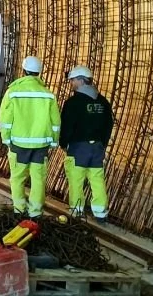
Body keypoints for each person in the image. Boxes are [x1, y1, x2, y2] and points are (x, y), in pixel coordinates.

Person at [0, 56, 61, 217]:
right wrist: (53, 141)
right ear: (39, 73)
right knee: (38, 179)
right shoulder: (48, 95)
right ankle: (35, 212)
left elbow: (5, 119)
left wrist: (6, 139)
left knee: (18, 178)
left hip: (18, 145)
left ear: (24, 70)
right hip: (41, 146)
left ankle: (19, 210)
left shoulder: (13, 92)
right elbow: (55, 122)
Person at [60, 65, 113, 221]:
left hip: (78, 148)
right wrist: (102, 143)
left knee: (76, 180)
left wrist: (64, 143)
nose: (71, 83)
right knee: (97, 180)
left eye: (73, 80)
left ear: (81, 80)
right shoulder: (103, 102)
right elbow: (108, 124)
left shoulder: (73, 103)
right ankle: (101, 213)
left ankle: (76, 212)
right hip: (97, 147)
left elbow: (67, 125)